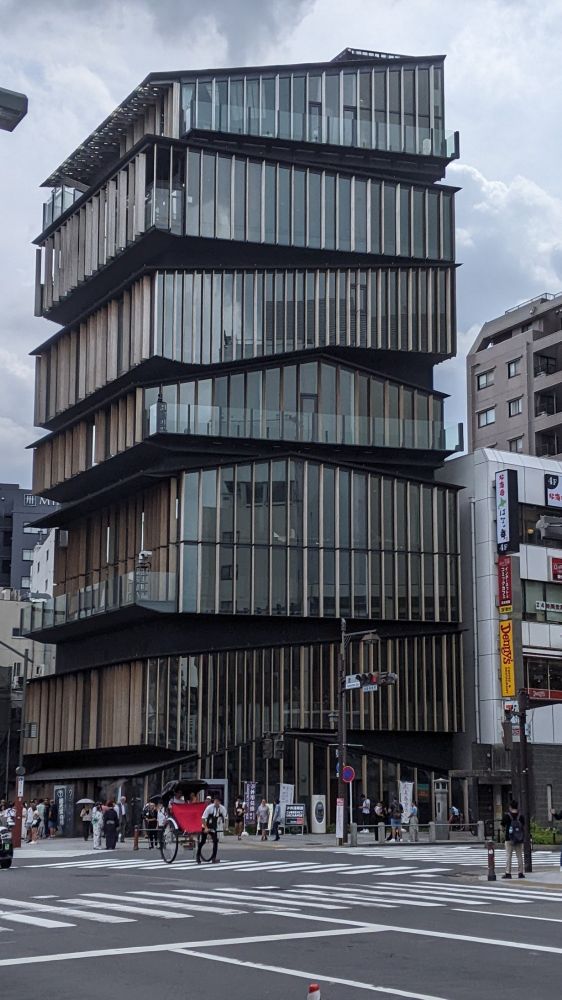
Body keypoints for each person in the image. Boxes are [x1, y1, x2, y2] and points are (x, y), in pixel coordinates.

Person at [197, 795, 227, 864]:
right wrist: (206, 828)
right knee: (203, 841)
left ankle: (213, 858)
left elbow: (226, 818)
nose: (216, 802)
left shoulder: (222, 808)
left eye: (218, 801)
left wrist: (226, 826)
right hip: (205, 825)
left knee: (215, 841)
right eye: (215, 801)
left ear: (220, 802)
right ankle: (198, 856)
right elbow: (203, 818)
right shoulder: (209, 808)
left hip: (213, 826)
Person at [501, 799, 525, 879]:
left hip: (509, 839)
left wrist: (504, 831)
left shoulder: (507, 816)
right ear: (517, 807)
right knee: (519, 856)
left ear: (510, 807)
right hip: (519, 839)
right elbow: (523, 826)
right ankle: (520, 873)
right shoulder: (520, 816)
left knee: (508, 856)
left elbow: (502, 826)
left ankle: (508, 873)